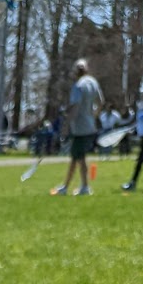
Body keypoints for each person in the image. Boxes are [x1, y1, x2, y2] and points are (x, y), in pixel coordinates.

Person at [53, 58, 102, 194]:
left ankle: (84, 187)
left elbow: (75, 107)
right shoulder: (93, 82)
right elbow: (100, 102)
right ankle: (67, 186)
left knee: (79, 157)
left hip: (80, 127)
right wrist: (94, 115)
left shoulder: (78, 86)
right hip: (89, 124)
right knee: (77, 158)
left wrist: (66, 126)